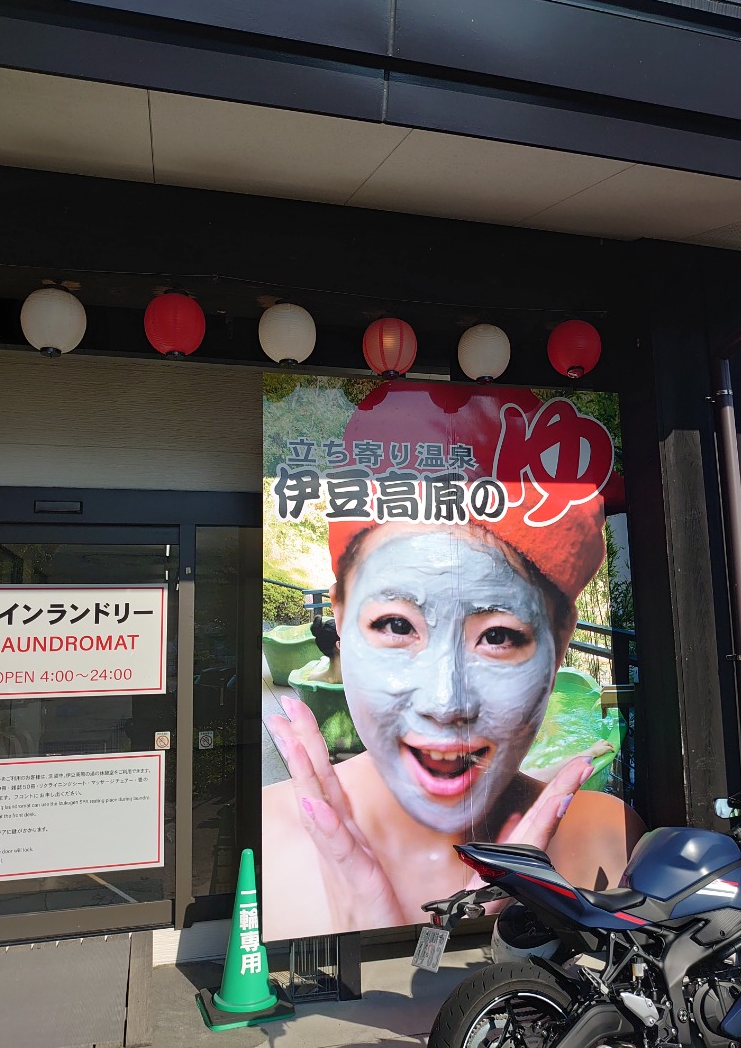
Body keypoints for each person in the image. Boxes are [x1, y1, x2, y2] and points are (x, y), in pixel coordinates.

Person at [263, 381, 645, 940]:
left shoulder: (610, 839)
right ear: (340, 625)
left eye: (496, 637)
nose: (446, 703)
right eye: (397, 626)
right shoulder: (274, 844)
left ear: (560, 647)